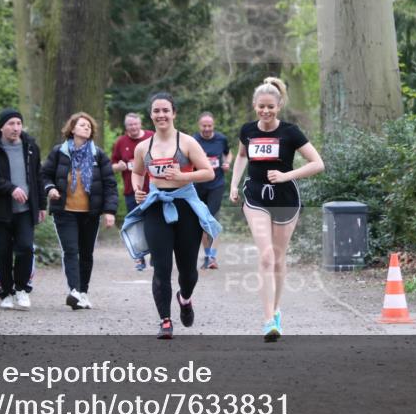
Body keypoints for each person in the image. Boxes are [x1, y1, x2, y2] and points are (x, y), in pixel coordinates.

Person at [229, 78, 324, 341]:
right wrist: (234, 184)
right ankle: (268, 319)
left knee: (279, 257)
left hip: (285, 197)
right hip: (256, 196)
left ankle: (277, 309)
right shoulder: (247, 130)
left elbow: (317, 163)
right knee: (267, 256)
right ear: (254, 106)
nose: (265, 111)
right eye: (261, 106)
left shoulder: (291, 132)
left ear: (279, 106)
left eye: (270, 106)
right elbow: (241, 156)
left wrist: (285, 175)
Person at [121, 92, 220, 339]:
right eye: (156, 111)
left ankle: (185, 298)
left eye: (166, 110)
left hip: (185, 207)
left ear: (174, 113)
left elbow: (208, 172)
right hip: (156, 207)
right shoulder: (143, 147)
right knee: (161, 267)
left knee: (188, 272)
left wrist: (182, 176)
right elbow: (137, 172)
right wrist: (138, 189)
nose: (161, 115)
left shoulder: (187, 142)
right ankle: (165, 321)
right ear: (151, 115)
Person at [41, 112, 118, 311]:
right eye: (82, 125)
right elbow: (45, 175)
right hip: (64, 211)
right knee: (70, 250)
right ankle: (74, 291)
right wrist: (50, 188)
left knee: (86, 253)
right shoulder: (59, 152)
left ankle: (83, 292)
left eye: (89, 126)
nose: (86, 128)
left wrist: (109, 211)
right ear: (72, 128)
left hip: (90, 213)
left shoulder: (98, 155)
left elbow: (110, 184)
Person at [0, 109, 46, 311]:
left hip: (25, 210)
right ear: (1, 127)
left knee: (25, 248)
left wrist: (42, 205)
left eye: (18, 123)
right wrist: (11, 189)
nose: (16, 128)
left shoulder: (30, 146)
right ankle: (6, 292)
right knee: (2, 252)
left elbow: (38, 176)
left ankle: (22, 289)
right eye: (11, 124)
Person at [111, 112, 154, 271]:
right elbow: (112, 165)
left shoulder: (151, 136)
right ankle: (139, 258)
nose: (133, 127)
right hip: (132, 191)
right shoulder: (121, 142)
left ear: (140, 124)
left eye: (136, 124)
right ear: (126, 126)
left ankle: (156, 254)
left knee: (154, 222)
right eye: (130, 125)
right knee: (136, 224)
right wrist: (119, 166)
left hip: (154, 189)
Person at [193, 112, 231, 269]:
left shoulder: (221, 139)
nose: (207, 128)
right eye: (204, 126)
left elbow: (228, 153)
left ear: (213, 125)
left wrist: (227, 163)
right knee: (202, 222)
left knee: (212, 219)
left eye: (209, 126)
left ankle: (212, 257)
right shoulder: (193, 141)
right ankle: (208, 255)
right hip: (198, 185)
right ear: (199, 125)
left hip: (216, 185)